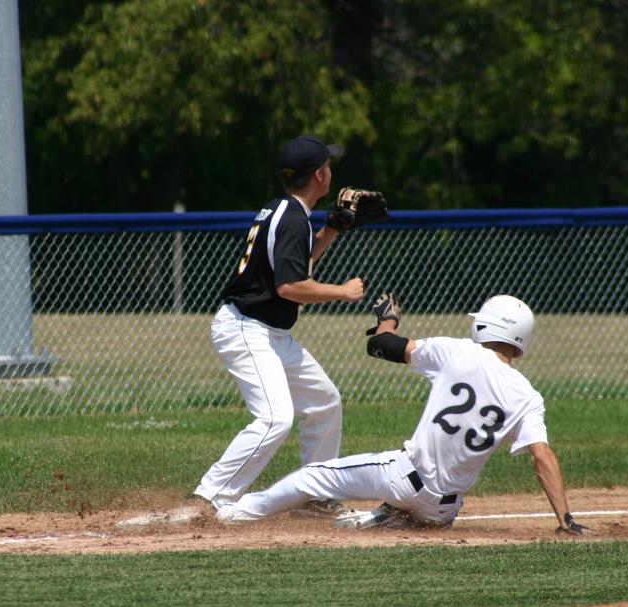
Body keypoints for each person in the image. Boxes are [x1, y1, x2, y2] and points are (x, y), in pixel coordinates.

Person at [215, 293, 592, 536]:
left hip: (403, 478)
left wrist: (388, 318)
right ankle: (386, 516)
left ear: (485, 325)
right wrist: (566, 521)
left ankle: (232, 515)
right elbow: (542, 457)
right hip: (443, 511)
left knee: (312, 476)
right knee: (417, 511)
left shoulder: (459, 351)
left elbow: (380, 345)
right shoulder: (528, 396)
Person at [187, 134, 365, 519]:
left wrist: (331, 230)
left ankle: (314, 495)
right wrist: (343, 291)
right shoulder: (293, 219)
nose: (330, 171)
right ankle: (206, 499)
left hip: (269, 331)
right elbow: (290, 286)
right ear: (319, 176)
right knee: (274, 418)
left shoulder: (283, 210)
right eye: (328, 165)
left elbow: (294, 264)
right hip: (247, 328)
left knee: (324, 401)